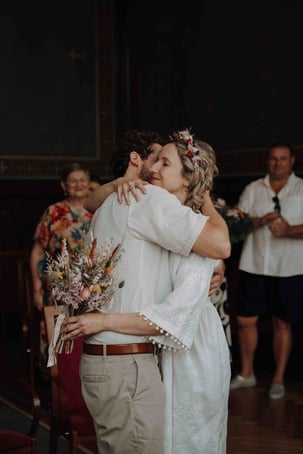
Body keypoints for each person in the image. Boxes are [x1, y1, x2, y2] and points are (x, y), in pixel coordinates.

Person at [63, 129, 231, 453]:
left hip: (174, 350)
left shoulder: (121, 201)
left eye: (164, 162)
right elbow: (219, 245)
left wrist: (212, 267)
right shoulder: (146, 199)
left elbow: (217, 248)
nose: (154, 169)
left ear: (189, 176)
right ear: (136, 161)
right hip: (138, 358)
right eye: (155, 158)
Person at [230, 142, 303, 399]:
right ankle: (247, 373)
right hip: (255, 263)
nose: (277, 163)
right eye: (273, 158)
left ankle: (278, 379)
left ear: (292, 161)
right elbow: (238, 221)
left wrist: (289, 230)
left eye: (283, 158)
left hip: (289, 267)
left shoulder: (301, 188)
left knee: (282, 323)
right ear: (267, 161)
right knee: (244, 320)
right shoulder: (253, 189)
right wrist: (259, 220)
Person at [29, 163, 93, 373]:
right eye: (73, 181)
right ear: (64, 185)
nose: (78, 184)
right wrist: (36, 287)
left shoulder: (97, 210)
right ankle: (58, 380)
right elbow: (38, 250)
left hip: (92, 288)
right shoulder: (55, 212)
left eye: (82, 180)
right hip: (58, 287)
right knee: (59, 335)